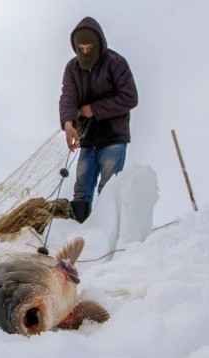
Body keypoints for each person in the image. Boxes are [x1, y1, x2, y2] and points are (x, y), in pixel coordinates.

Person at [59, 17, 138, 223]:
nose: (85, 52)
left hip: (113, 137)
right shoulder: (72, 68)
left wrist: (93, 109)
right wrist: (68, 122)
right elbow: (68, 96)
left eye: (89, 47)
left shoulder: (115, 62)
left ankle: (107, 237)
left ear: (100, 44)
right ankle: (78, 233)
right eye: (80, 48)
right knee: (82, 189)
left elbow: (130, 97)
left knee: (109, 188)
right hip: (88, 140)